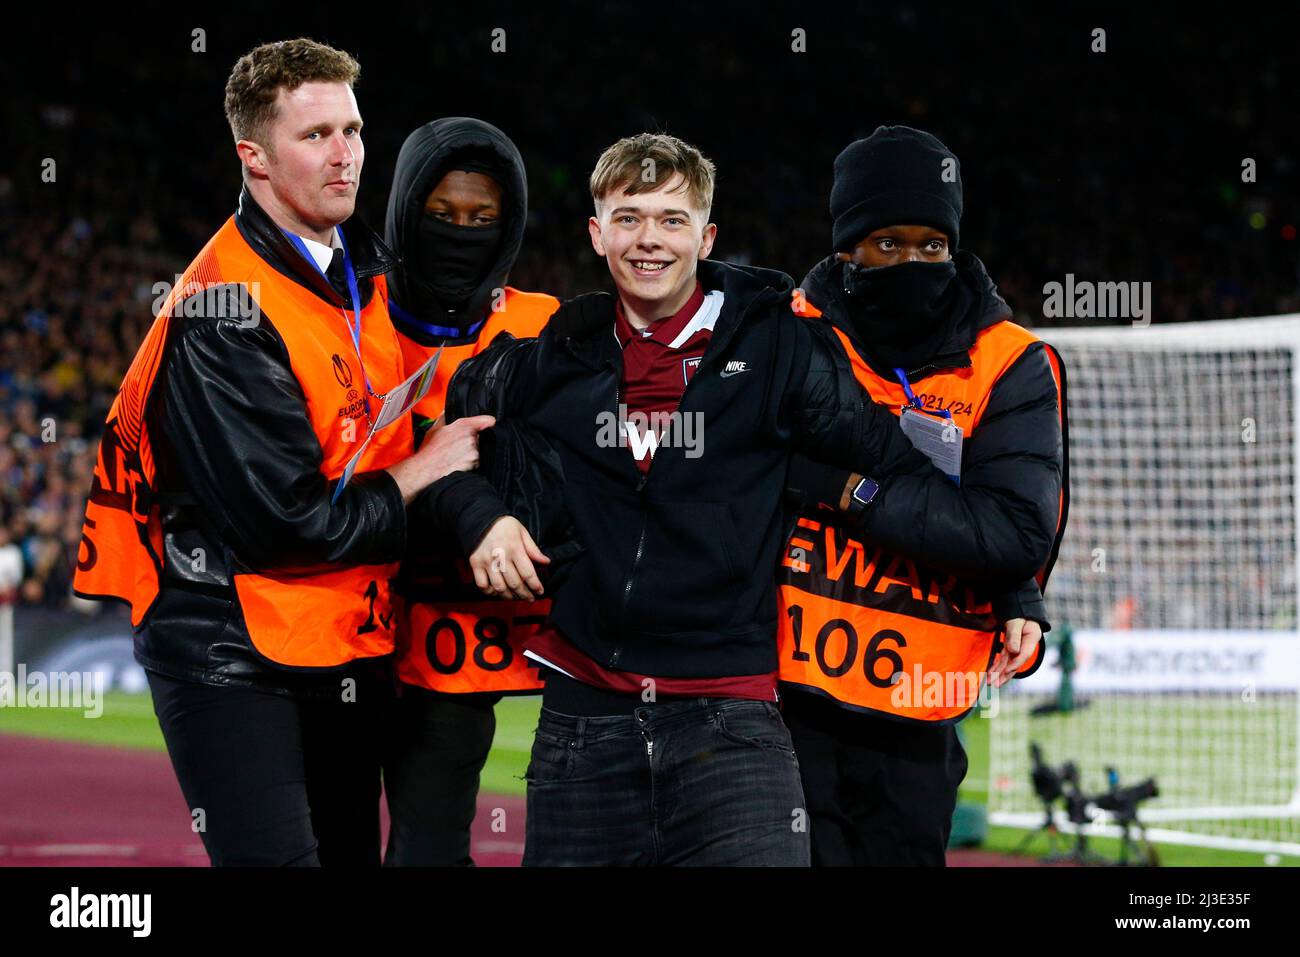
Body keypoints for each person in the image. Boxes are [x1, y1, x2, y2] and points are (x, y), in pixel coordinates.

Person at [430, 133, 938, 866]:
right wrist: (482, 517)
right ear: (597, 233)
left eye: (672, 220)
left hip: (732, 721)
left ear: (707, 237)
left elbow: (904, 468)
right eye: (629, 217)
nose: (649, 240)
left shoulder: (778, 349)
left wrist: (1010, 585)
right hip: (582, 722)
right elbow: (440, 452)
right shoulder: (553, 356)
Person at [72, 38, 490, 866]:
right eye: (317, 136)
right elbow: (287, 521)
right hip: (228, 639)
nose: (346, 157)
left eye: (354, 130)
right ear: (253, 158)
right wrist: (422, 469)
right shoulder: (222, 307)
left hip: (335, 633)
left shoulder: (364, 271)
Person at [778, 125, 1069, 865]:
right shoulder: (787, 333)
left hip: (918, 712)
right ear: (847, 247)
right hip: (783, 696)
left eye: (931, 245)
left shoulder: (1011, 362)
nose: (911, 260)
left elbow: (1011, 536)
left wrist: (842, 488)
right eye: (887, 242)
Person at [381, 117, 558, 866]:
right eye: (441, 215)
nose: (462, 234)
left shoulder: (540, 325)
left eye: (483, 219)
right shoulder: (350, 317)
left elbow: (551, 477)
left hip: (456, 637)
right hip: (338, 628)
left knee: (427, 847)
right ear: (402, 212)